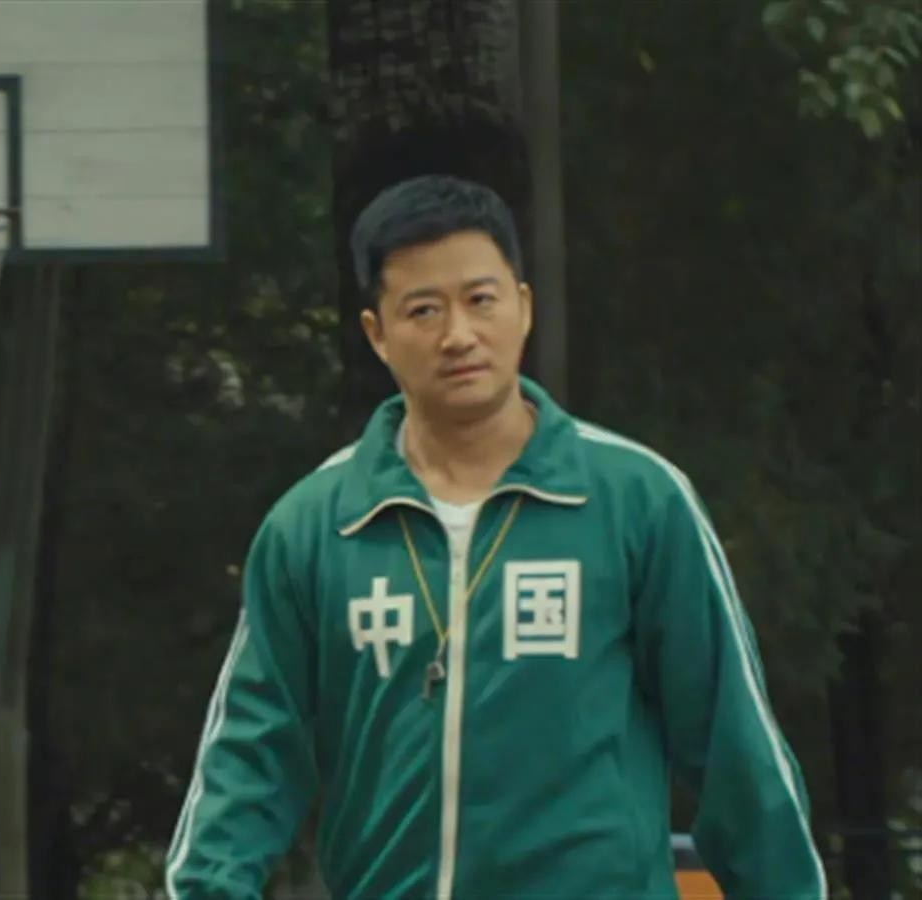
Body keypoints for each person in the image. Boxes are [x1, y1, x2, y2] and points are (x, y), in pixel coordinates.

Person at [165, 175, 827, 899]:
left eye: (480, 300)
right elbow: (249, 758)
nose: (459, 335)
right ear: (376, 334)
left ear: (523, 307)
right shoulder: (316, 525)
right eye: (423, 310)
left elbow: (734, 746)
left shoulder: (635, 500)